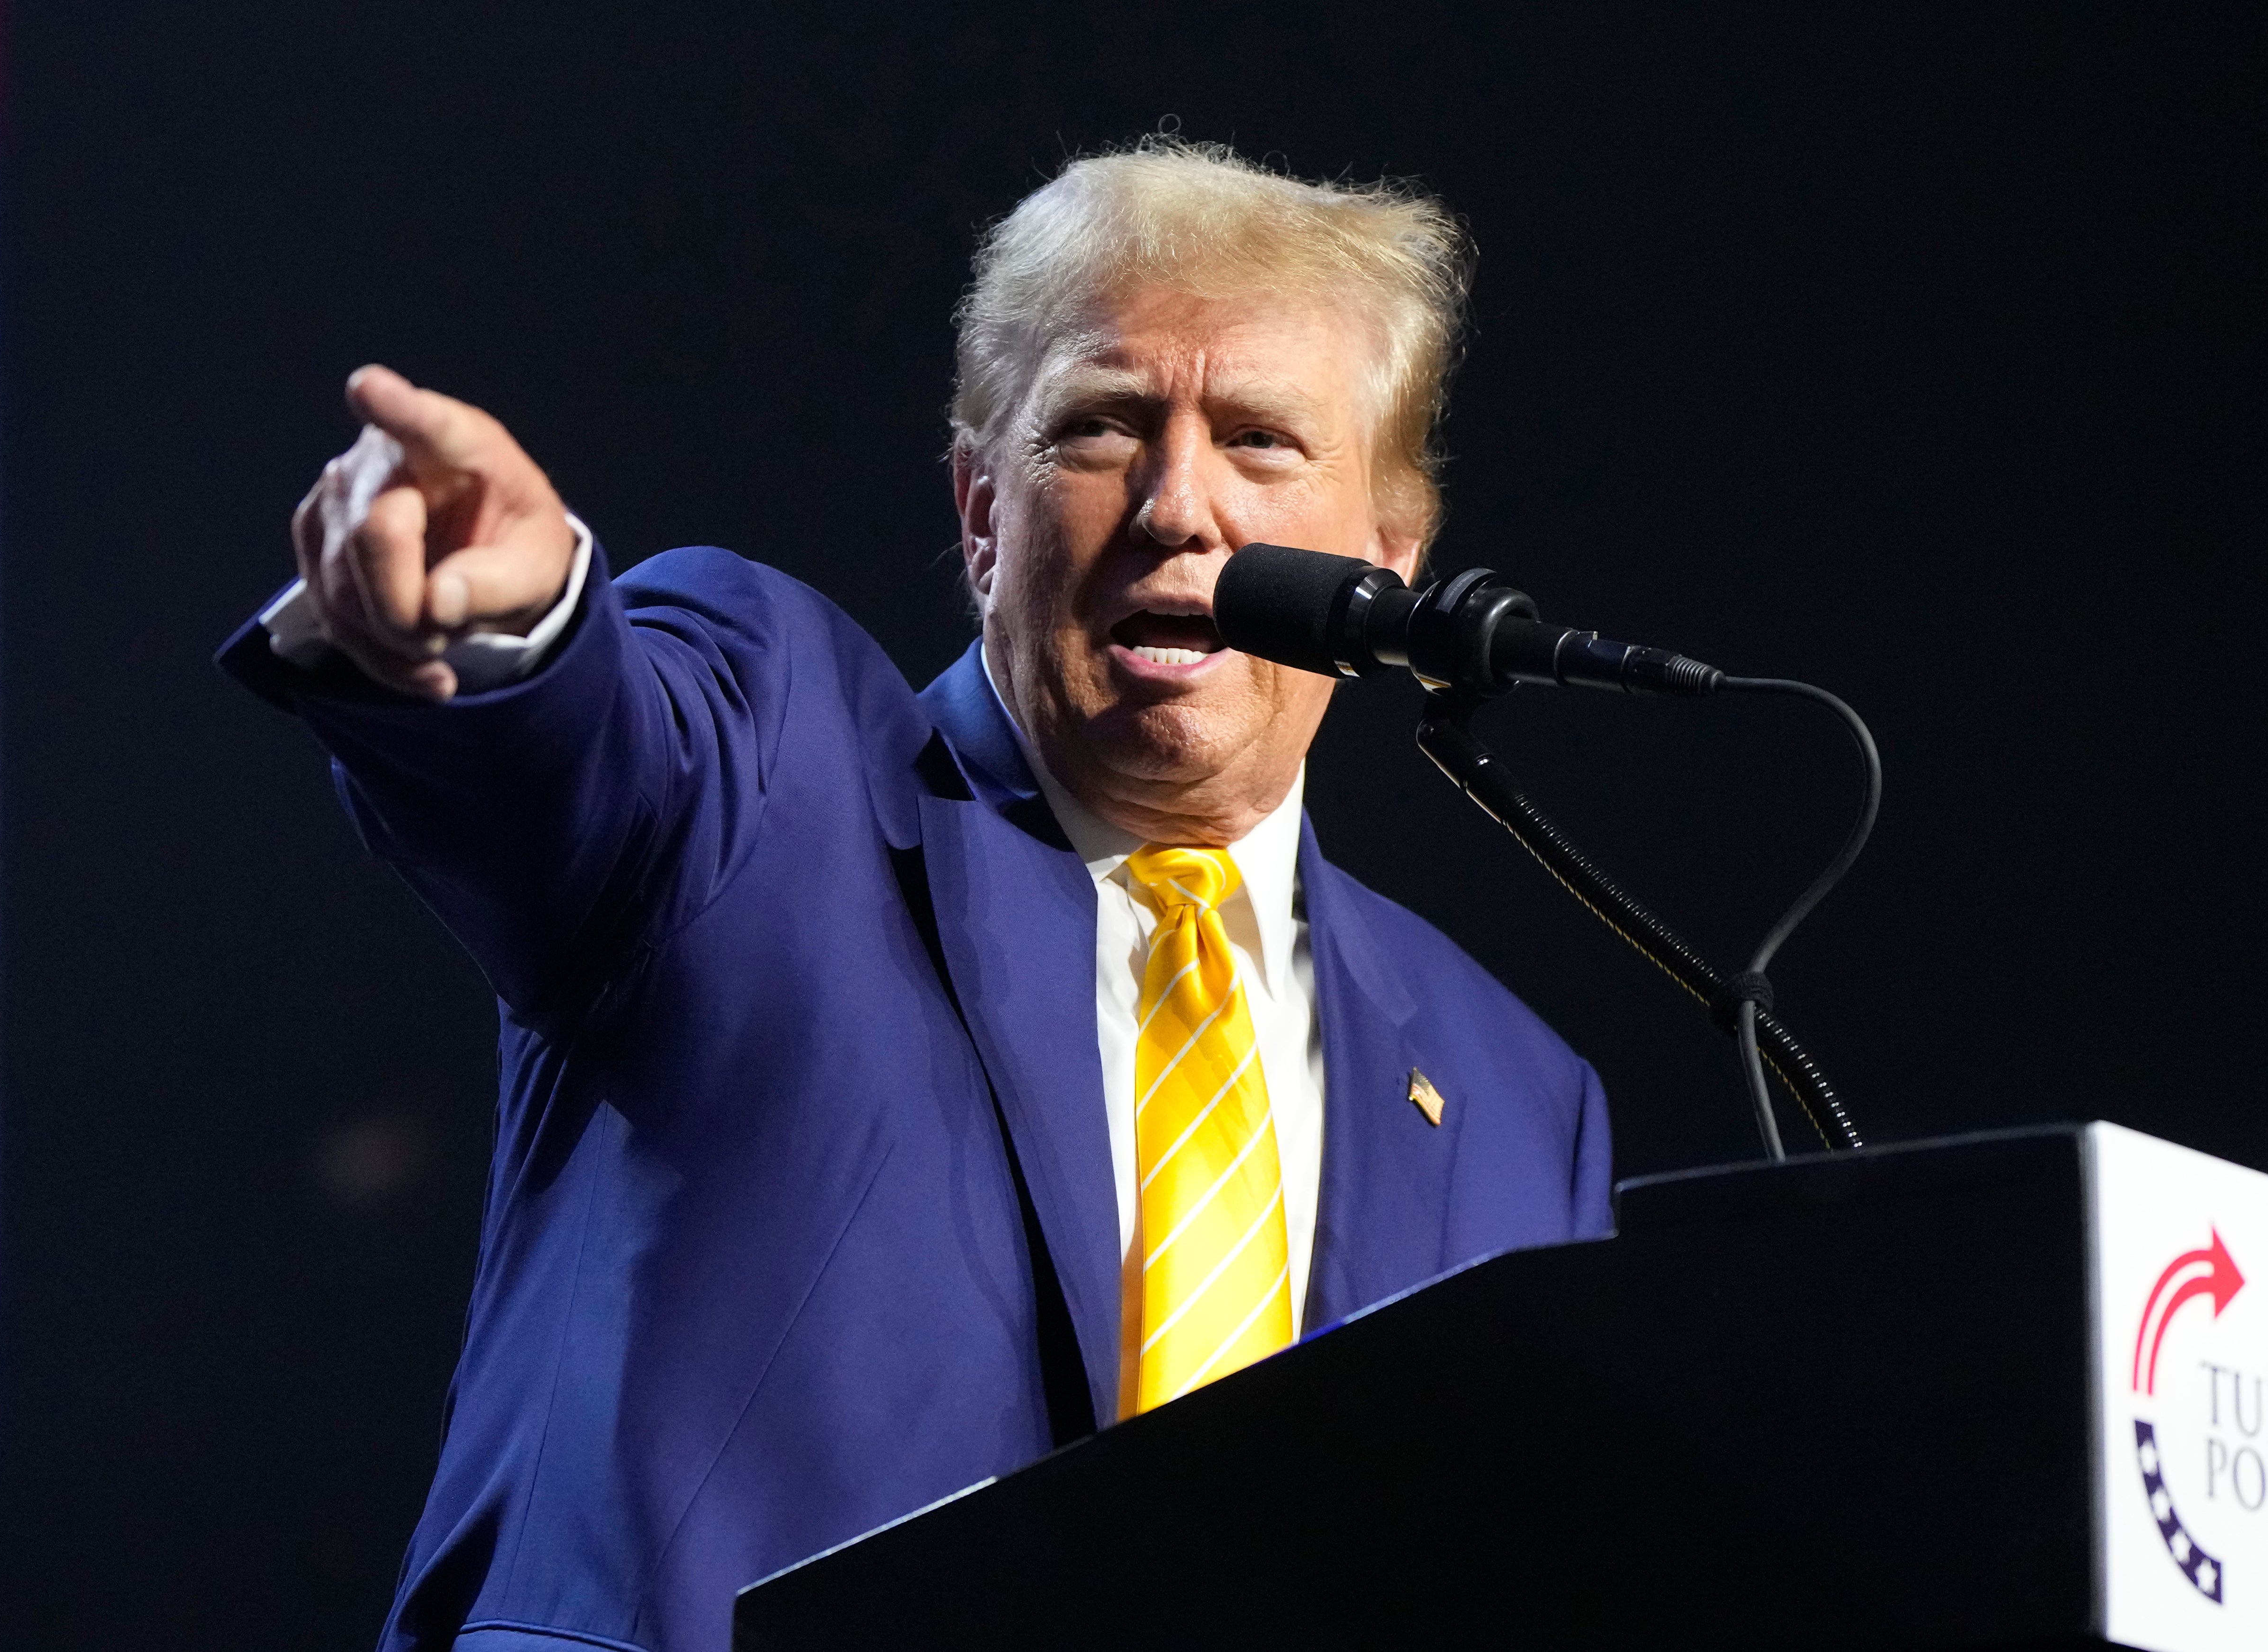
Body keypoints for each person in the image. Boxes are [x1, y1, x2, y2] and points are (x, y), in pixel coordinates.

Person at [222, 138, 1612, 1652]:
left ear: (1387, 562)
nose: (1175, 505)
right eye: (1099, 426)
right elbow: (582, 754)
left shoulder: (1518, 1102)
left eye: (1263, 442)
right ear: (977, 513)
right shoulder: (765, 767)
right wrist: (512, 628)